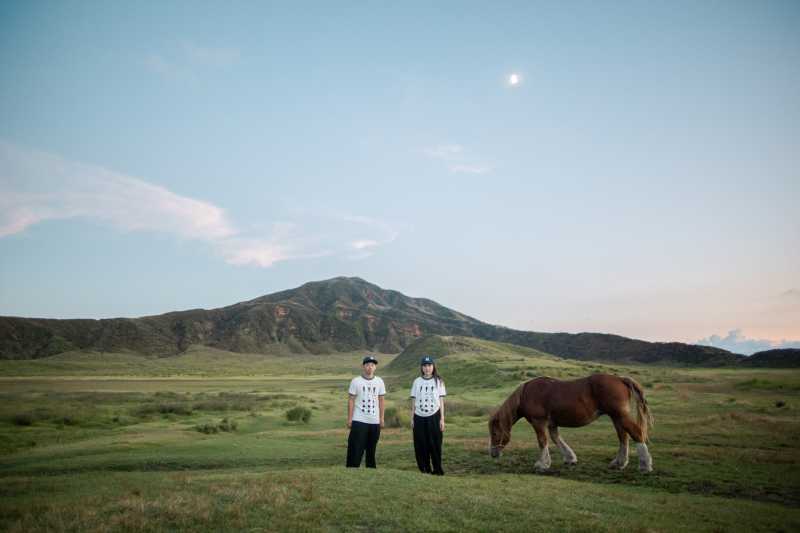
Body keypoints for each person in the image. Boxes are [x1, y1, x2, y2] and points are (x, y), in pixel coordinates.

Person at [346, 356, 385, 468]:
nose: (370, 367)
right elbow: (351, 400)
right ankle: (351, 469)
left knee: (371, 448)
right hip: (359, 418)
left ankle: (371, 470)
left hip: (374, 419)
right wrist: (350, 418)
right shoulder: (356, 381)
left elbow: (381, 400)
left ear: (375, 367)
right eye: (367, 365)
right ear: (363, 366)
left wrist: (381, 418)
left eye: (372, 365)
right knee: (355, 446)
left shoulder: (379, 381)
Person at [410, 356, 446, 475]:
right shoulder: (417, 381)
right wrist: (412, 418)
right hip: (419, 416)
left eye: (429, 365)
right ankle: (424, 469)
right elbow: (414, 401)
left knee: (435, 444)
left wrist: (442, 418)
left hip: (434, 415)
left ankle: (437, 470)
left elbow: (441, 401)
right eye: (425, 366)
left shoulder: (438, 381)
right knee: (421, 444)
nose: (427, 368)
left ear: (433, 367)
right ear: (422, 367)